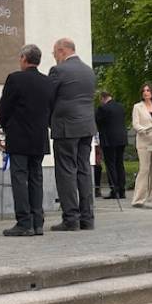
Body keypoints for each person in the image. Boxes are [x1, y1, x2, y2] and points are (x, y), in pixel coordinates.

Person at [0, 44, 54, 237]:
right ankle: (38, 222)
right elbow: (50, 110)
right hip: (39, 138)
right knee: (36, 178)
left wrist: (4, 125)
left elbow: (4, 107)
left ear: (24, 58)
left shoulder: (15, 79)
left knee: (20, 179)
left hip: (19, 137)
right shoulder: (47, 82)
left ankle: (24, 222)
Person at [48, 38, 97, 231]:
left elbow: (48, 98)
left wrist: (50, 120)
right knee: (84, 170)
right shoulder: (88, 71)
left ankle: (71, 219)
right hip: (87, 127)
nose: (55, 58)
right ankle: (87, 218)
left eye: (54, 54)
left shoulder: (59, 71)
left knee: (66, 172)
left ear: (62, 51)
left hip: (66, 127)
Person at [131, 83, 152, 207]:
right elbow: (135, 123)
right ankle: (138, 199)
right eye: (144, 90)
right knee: (144, 169)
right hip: (144, 139)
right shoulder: (137, 107)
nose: (146, 92)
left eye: (148, 90)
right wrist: (143, 130)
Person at [96, 91, 127, 199]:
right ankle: (122, 190)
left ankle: (115, 190)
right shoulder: (120, 107)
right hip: (121, 139)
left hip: (109, 140)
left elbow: (97, 122)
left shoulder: (103, 109)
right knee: (120, 163)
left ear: (102, 98)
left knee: (111, 165)